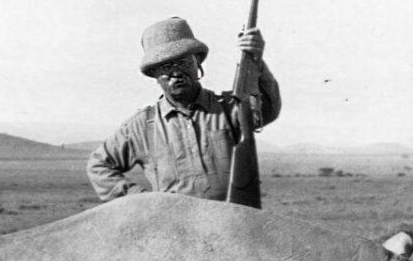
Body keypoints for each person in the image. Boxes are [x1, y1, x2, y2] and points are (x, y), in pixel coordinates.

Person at [87, 17, 280, 203]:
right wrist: (141, 201)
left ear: (197, 63)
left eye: (184, 63)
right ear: (154, 74)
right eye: (166, 67)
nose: (177, 73)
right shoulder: (141, 126)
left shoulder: (228, 108)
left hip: (230, 224)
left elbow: (268, 110)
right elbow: (98, 166)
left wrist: (256, 61)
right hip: (175, 231)